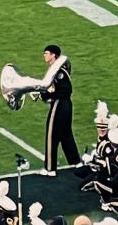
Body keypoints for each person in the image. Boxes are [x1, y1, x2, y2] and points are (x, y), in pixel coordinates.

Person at [37, 45, 80, 175]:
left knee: (52, 134)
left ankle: (50, 168)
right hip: (64, 105)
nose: (44, 55)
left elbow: (66, 90)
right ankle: (75, 161)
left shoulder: (59, 71)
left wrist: (49, 95)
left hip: (60, 105)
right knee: (66, 134)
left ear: (53, 55)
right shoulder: (55, 70)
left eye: (47, 53)